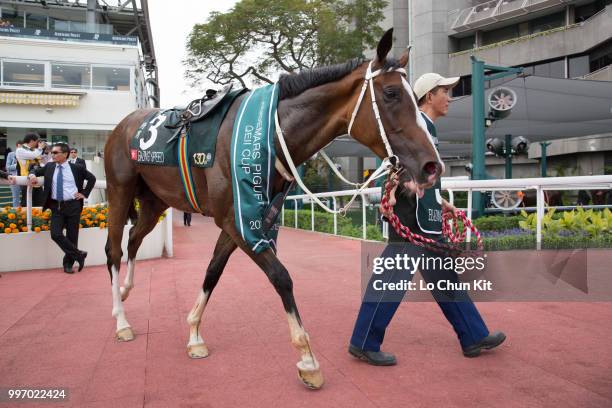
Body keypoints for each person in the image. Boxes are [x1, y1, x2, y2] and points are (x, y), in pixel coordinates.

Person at [348, 73, 505, 366]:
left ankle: (473, 336)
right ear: (429, 95)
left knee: (446, 279)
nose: (450, 97)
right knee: (390, 281)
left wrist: (443, 204)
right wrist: (399, 189)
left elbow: (426, 173)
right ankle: (363, 342)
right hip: (411, 219)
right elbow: (399, 164)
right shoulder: (415, 124)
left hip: (429, 218)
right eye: (445, 91)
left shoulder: (429, 128)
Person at [18, 143, 96, 274]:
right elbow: (34, 169)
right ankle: (79, 255)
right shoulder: (49, 166)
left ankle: (68, 264)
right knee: (55, 234)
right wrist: (32, 175)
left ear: (65, 154)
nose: (52, 155)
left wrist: (84, 193)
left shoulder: (76, 168)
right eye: (51, 153)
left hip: (73, 205)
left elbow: (92, 178)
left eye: (55, 153)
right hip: (56, 206)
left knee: (72, 236)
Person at [16, 133, 45, 207]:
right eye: (37, 141)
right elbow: (32, 155)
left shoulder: (34, 150)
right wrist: (40, 148)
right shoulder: (20, 150)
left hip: (37, 180)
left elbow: (40, 163)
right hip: (27, 180)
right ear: (32, 141)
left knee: (40, 204)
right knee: (27, 204)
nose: (38, 143)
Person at [5, 142, 21, 207]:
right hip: (14, 178)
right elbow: (7, 167)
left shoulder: (26, 155)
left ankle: (26, 213)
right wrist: (17, 165)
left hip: (25, 177)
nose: (21, 149)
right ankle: (16, 213)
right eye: (19, 147)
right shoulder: (11, 154)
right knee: (15, 197)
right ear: (16, 146)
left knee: (26, 197)